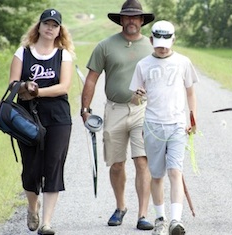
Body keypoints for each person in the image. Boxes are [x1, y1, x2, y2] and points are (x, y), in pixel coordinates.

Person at [80, 0, 155, 230]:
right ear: (121, 20)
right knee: (116, 164)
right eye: (127, 17)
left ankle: (143, 214)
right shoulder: (105, 46)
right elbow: (91, 79)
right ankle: (121, 206)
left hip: (143, 109)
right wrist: (85, 109)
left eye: (136, 17)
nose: (131, 20)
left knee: (142, 161)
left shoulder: (153, 47)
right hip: (114, 109)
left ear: (142, 20)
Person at [8, 8, 75, 235]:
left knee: (53, 166)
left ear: (59, 30)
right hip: (26, 117)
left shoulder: (63, 54)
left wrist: (38, 92)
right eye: (46, 23)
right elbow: (13, 84)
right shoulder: (23, 52)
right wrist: (25, 87)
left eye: (54, 25)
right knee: (31, 168)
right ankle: (32, 207)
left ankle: (46, 223)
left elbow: (64, 87)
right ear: (39, 26)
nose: (50, 28)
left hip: (57, 117)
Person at [129, 20, 199, 235]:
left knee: (175, 171)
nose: (162, 47)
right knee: (157, 174)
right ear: (151, 40)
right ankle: (160, 217)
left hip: (177, 125)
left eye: (166, 43)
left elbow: (190, 92)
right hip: (153, 126)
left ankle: (175, 221)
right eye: (158, 43)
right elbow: (134, 99)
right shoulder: (143, 65)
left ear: (173, 40)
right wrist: (138, 96)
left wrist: (192, 119)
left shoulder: (183, 62)